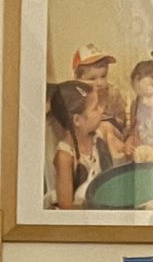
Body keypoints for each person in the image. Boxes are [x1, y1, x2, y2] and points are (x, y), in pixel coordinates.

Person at [47, 78, 126, 209]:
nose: (101, 110)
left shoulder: (101, 132)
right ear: (77, 120)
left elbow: (123, 152)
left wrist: (126, 148)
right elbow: (66, 206)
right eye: (95, 108)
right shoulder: (65, 156)